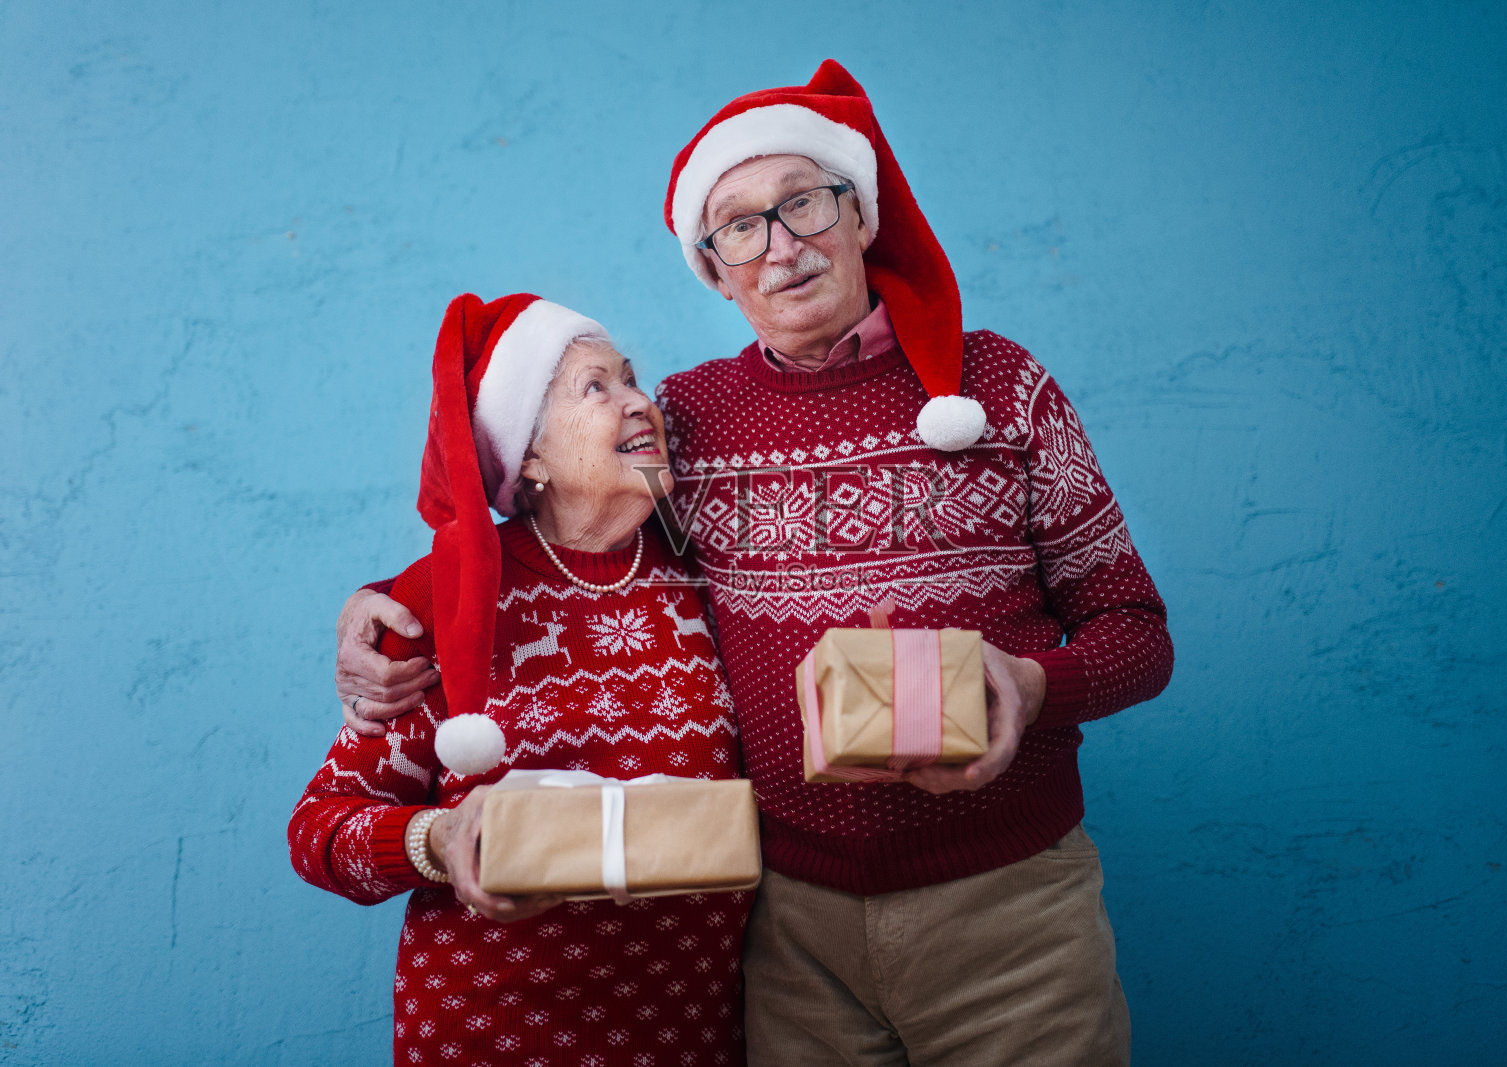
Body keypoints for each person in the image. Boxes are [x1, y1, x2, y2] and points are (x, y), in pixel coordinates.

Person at [339, 62, 1173, 1065]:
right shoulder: (686, 422)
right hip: (789, 933)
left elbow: (1139, 633)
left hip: (1006, 909)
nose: (779, 246)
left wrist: (1033, 684)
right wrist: (386, 605)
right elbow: (560, 535)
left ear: (859, 215)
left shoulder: (999, 385)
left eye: (803, 204)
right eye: (739, 227)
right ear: (715, 268)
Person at [290, 293, 749, 1067]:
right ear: (528, 457)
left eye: (633, 379)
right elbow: (318, 830)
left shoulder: (711, 575)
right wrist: (437, 840)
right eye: (595, 387)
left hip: (696, 1033)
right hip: (495, 1032)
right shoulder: (450, 598)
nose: (640, 400)